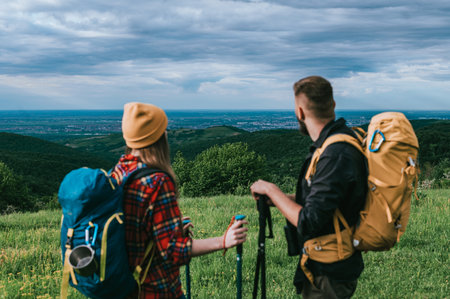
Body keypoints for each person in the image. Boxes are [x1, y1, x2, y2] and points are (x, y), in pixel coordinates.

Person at [110, 102, 248, 299]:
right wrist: (223, 241)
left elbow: (132, 232)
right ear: (159, 137)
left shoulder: (118, 172)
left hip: (125, 288)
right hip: (157, 290)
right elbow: (173, 251)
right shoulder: (157, 182)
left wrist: (170, 231)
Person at [250, 76, 367, 299]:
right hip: (326, 264)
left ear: (300, 112)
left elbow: (310, 220)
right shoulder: (335, 143)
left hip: (329, 272)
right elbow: (324, 201)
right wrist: (280, 199)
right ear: (333, 105)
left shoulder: (335, 154)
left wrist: (272, 190)